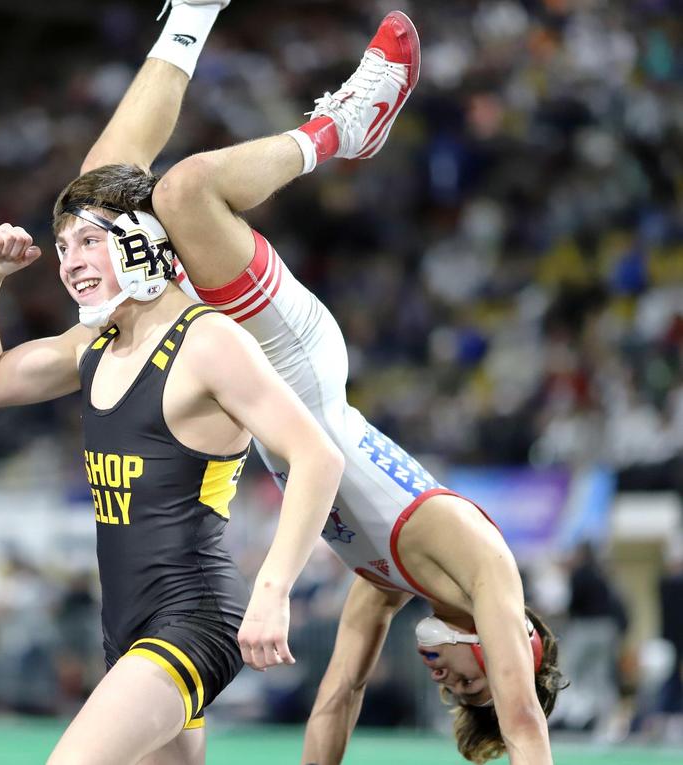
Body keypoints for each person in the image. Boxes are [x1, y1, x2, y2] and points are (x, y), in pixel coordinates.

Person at [50, 7, 567, 764]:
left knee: (99, 197)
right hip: (299, 367)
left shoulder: (386, 582)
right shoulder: (489, 568)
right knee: (188, 190)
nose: (448, 685)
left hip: (248, 379)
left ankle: (190, 16)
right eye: (470, 686)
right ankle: (344, 128)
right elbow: (525, 727)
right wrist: (275, 590)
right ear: (517, 648)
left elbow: (336, 702)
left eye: (456, 699)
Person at [0, 2, 347, 762]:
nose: (67, 260)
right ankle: (188, 23)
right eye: (62, 246)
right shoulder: (95, 344)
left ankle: (223, 48)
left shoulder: (206, 341)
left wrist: (272, 590)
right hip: (128, 622)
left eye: (87, 241)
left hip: (193, 617)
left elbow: (316, 456)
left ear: (138, 246)